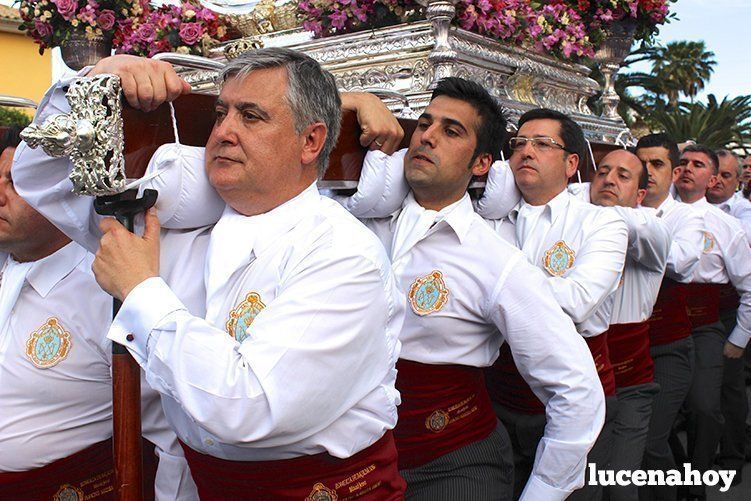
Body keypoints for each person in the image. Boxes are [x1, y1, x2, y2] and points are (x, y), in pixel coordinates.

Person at [13, 49, 407, 500]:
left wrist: (141, 292)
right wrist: (95, 80)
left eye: (252, 116)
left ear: (310, 142)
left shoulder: (344, 254)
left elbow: (247, 408)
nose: (223, 132)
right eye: (221, 113)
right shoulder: (174, 227)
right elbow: (40, 179)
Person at [337, 78, 604, 500]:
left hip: (453, 466)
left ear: (481, 164)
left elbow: (577, 388)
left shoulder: (495, 261)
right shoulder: (351, 226)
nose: (427, 136)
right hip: (352, 466)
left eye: (451, 131)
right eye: (425, 123)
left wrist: (546, 490)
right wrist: (357, 100)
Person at [0, 127, 197, 500]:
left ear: (61, 193)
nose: (0, 196)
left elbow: (169, 429)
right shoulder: (7, 266)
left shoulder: (104, 287)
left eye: (17, 183)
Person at [475, 108, 629, 500]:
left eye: (543, 144)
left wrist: (495, 289)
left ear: (571, 163)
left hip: (571, 394)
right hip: (497, 393)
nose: (526, 151)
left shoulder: (600, 224)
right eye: (519, 144)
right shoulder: (486, 221)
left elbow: (577, 302)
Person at [579, 150, 670, 501]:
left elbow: (626, 220)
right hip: (583, 378)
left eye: (622, 175)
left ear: (641, 196)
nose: (608, 180)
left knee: (619, 487)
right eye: (601, 172)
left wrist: (569, 193)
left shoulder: (653, 229)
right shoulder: (577, 223)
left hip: (630, 384)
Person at [672, 144, 751, 501]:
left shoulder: (727, 226)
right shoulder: (653, 213)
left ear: (713, 178)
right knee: (662, 411)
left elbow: (749, 285)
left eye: (698, 165)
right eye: (682, 162)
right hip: (657, 324)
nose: (687, 169)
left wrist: (739, 338)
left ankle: (695, 479)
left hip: (705, 325)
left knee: (705, 406)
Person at [634, 133, 704, 501]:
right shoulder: (613, 209)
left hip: (668, 347)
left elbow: (680, 263)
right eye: (640, 162)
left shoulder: (687, 217)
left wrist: (632, 221)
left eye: (657, 164)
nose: (646, 171)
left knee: (650, 439)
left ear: (675, 172)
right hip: (623, 350)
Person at [707, 150, 751, 243]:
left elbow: (747, 236)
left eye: (725, 175)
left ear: (738, 180)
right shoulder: (688, 198)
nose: (717, 180)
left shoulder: (743, 207)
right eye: (714, 174)